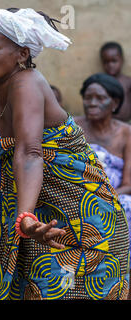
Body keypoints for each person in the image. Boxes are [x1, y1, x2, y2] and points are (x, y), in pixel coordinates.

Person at [0, 8, 129, 300]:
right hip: (34, 220)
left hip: (85, 219)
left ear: (22, 54)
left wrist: (24, 217)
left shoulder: (27, 83)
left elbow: (29, 152)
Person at [74, 73, 131, 252]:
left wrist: (101, 196)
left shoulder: (126, 133)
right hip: (76, 195)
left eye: (100, 98)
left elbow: (128, 184)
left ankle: (121, 267)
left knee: (127, 205)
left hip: (114, 195)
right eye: (88, 97)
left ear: (114, 103)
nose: (92, 103)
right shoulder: (73, 128)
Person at [100, 41, 131, 122]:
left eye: (114, 61)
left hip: (126, 123)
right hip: (105, 124)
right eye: (106, 62)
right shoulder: (100, 82)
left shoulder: (128, 82)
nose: (110, 65)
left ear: (122, 60)